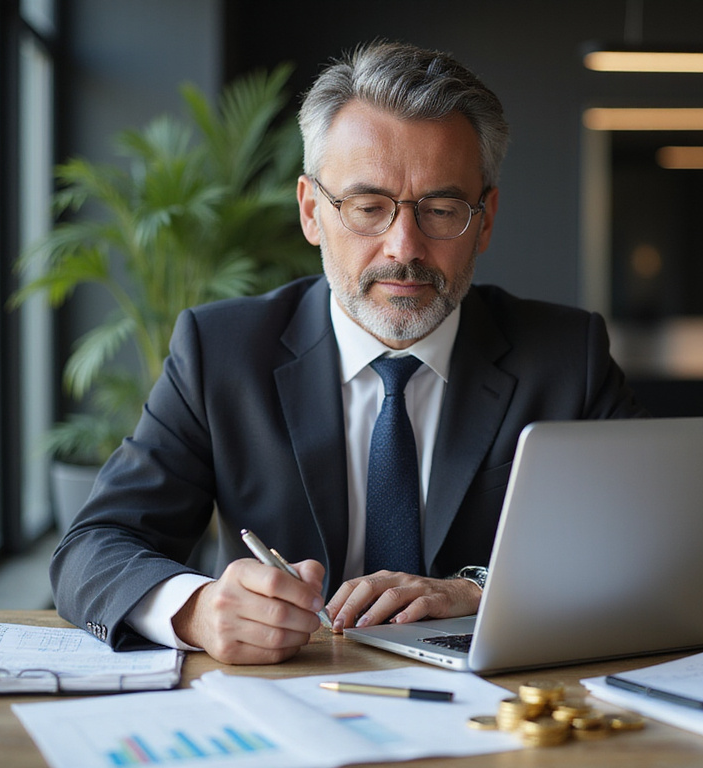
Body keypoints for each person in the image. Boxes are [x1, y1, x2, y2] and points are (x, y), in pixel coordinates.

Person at [50, 40, 646, 664]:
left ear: (486, 219)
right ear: (311, 211)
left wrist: (478, 589)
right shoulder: (219, 352)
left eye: (441, 209)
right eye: (368, 208)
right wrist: (195, 609)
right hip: (284, 707)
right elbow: (94, 547)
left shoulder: (565, 356)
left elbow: (653, 542)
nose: (404, 247)